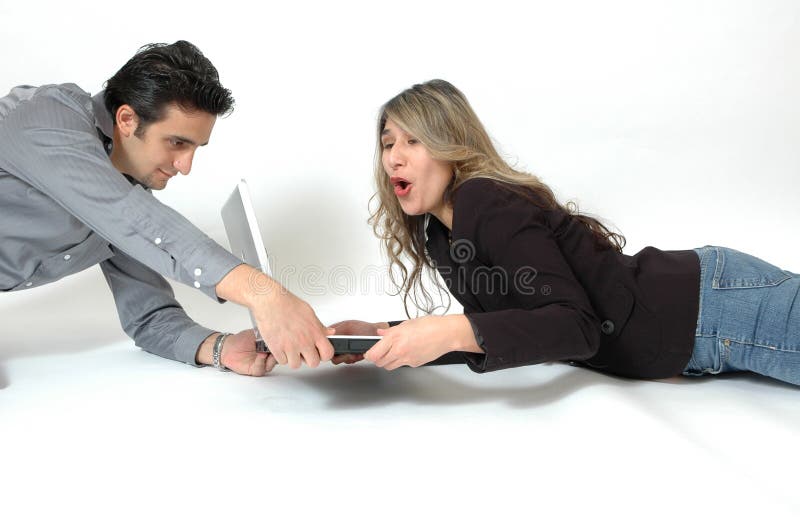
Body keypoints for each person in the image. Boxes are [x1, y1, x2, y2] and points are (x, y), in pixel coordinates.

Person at [332, 79, 800, 386]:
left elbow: (575, 326)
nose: (394, 156)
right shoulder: (443, 236)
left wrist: (448, 329)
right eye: (388, 143)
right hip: (701, 324)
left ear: (452, 147)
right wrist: (380, 335)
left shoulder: (485, 199)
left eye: (413, 140)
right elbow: (511, 331)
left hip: (719, 306)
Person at [0, 41, 336, 376]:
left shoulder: (123, 190)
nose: (186, 166)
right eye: (177, 143)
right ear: (127, 119)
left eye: (195, 148)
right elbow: (131, 216)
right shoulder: (42, 121)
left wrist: (221, 348)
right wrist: (264, 294)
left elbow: (149, 317)